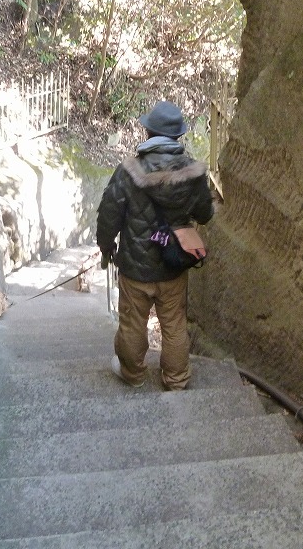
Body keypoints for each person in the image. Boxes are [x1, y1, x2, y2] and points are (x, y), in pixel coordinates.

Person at [96, 100, 215, 390]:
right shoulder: (194, 174)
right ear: (178, 136)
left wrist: (106, 246)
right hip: (173, 264)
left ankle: (133, 374)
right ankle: (176, 379)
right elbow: (205, 214)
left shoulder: (128, 172)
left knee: (132, 322)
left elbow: (109, 215)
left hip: (134, 268)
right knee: (174, 324)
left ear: (148, 132)